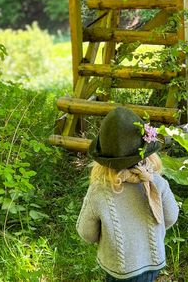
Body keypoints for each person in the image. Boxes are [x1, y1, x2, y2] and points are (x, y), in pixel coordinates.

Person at [76, 107, 179, 281]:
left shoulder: (99, 190)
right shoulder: (156, 182)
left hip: (119, 268)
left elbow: (87, 233)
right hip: (153, 263)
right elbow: (171, 217)